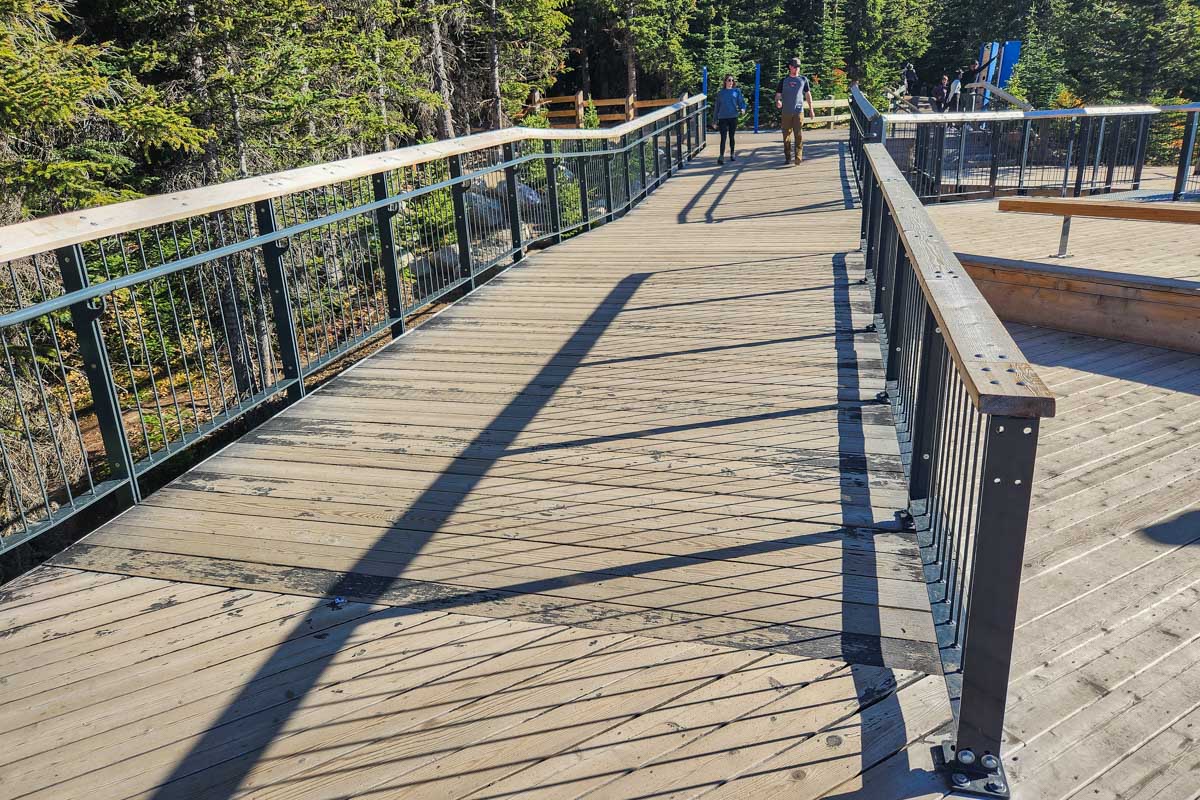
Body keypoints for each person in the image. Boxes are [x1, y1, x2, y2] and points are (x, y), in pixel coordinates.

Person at [774, 57, 815, 166]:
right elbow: (778, 95)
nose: (797, 69)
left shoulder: (803, 80)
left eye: (798, 67)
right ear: (790, 67)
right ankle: (788, 156)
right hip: (786, 112)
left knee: (798, 135)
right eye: (795, 66)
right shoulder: (783, 81)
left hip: (798, 111)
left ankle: (798, 157)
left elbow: (807, 95)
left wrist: (811, 109)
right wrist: (778, 101)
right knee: (786, 135)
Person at [710, 73, 748, 165]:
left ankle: (732, 153)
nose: (731, 82)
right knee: (723, 137)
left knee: (731, 136)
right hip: (722, 117)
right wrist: (714, 121)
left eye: (732, 80)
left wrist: (743, 108)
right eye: (729, 80)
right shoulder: (720, 93)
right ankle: (721, 156)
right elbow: (717, 107)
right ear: (725, 82)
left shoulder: (736, 91)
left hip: (733, 117)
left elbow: (741, 102)